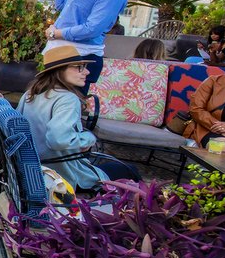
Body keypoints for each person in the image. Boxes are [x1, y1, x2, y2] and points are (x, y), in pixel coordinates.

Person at [18, 45, 139, 191]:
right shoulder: (68, 99)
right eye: (79, 67)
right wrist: (88, 138)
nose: (86, 72)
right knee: (131, 171)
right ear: (59, 71)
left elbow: (20, 128)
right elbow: (58, 140)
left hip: (34, 171)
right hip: (62, 178)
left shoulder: (30, 94)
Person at [44, 0, 128, 93]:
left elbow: (92, 29)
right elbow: (63, 6)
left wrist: (56, 34)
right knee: (48, 100)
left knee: (67, 104)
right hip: (60, 53)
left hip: (80, 56)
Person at [187, 72, 225, 148]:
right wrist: (220, 127)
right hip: (206, 129)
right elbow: (196, 109)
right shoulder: (213, 81)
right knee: (222, 147)